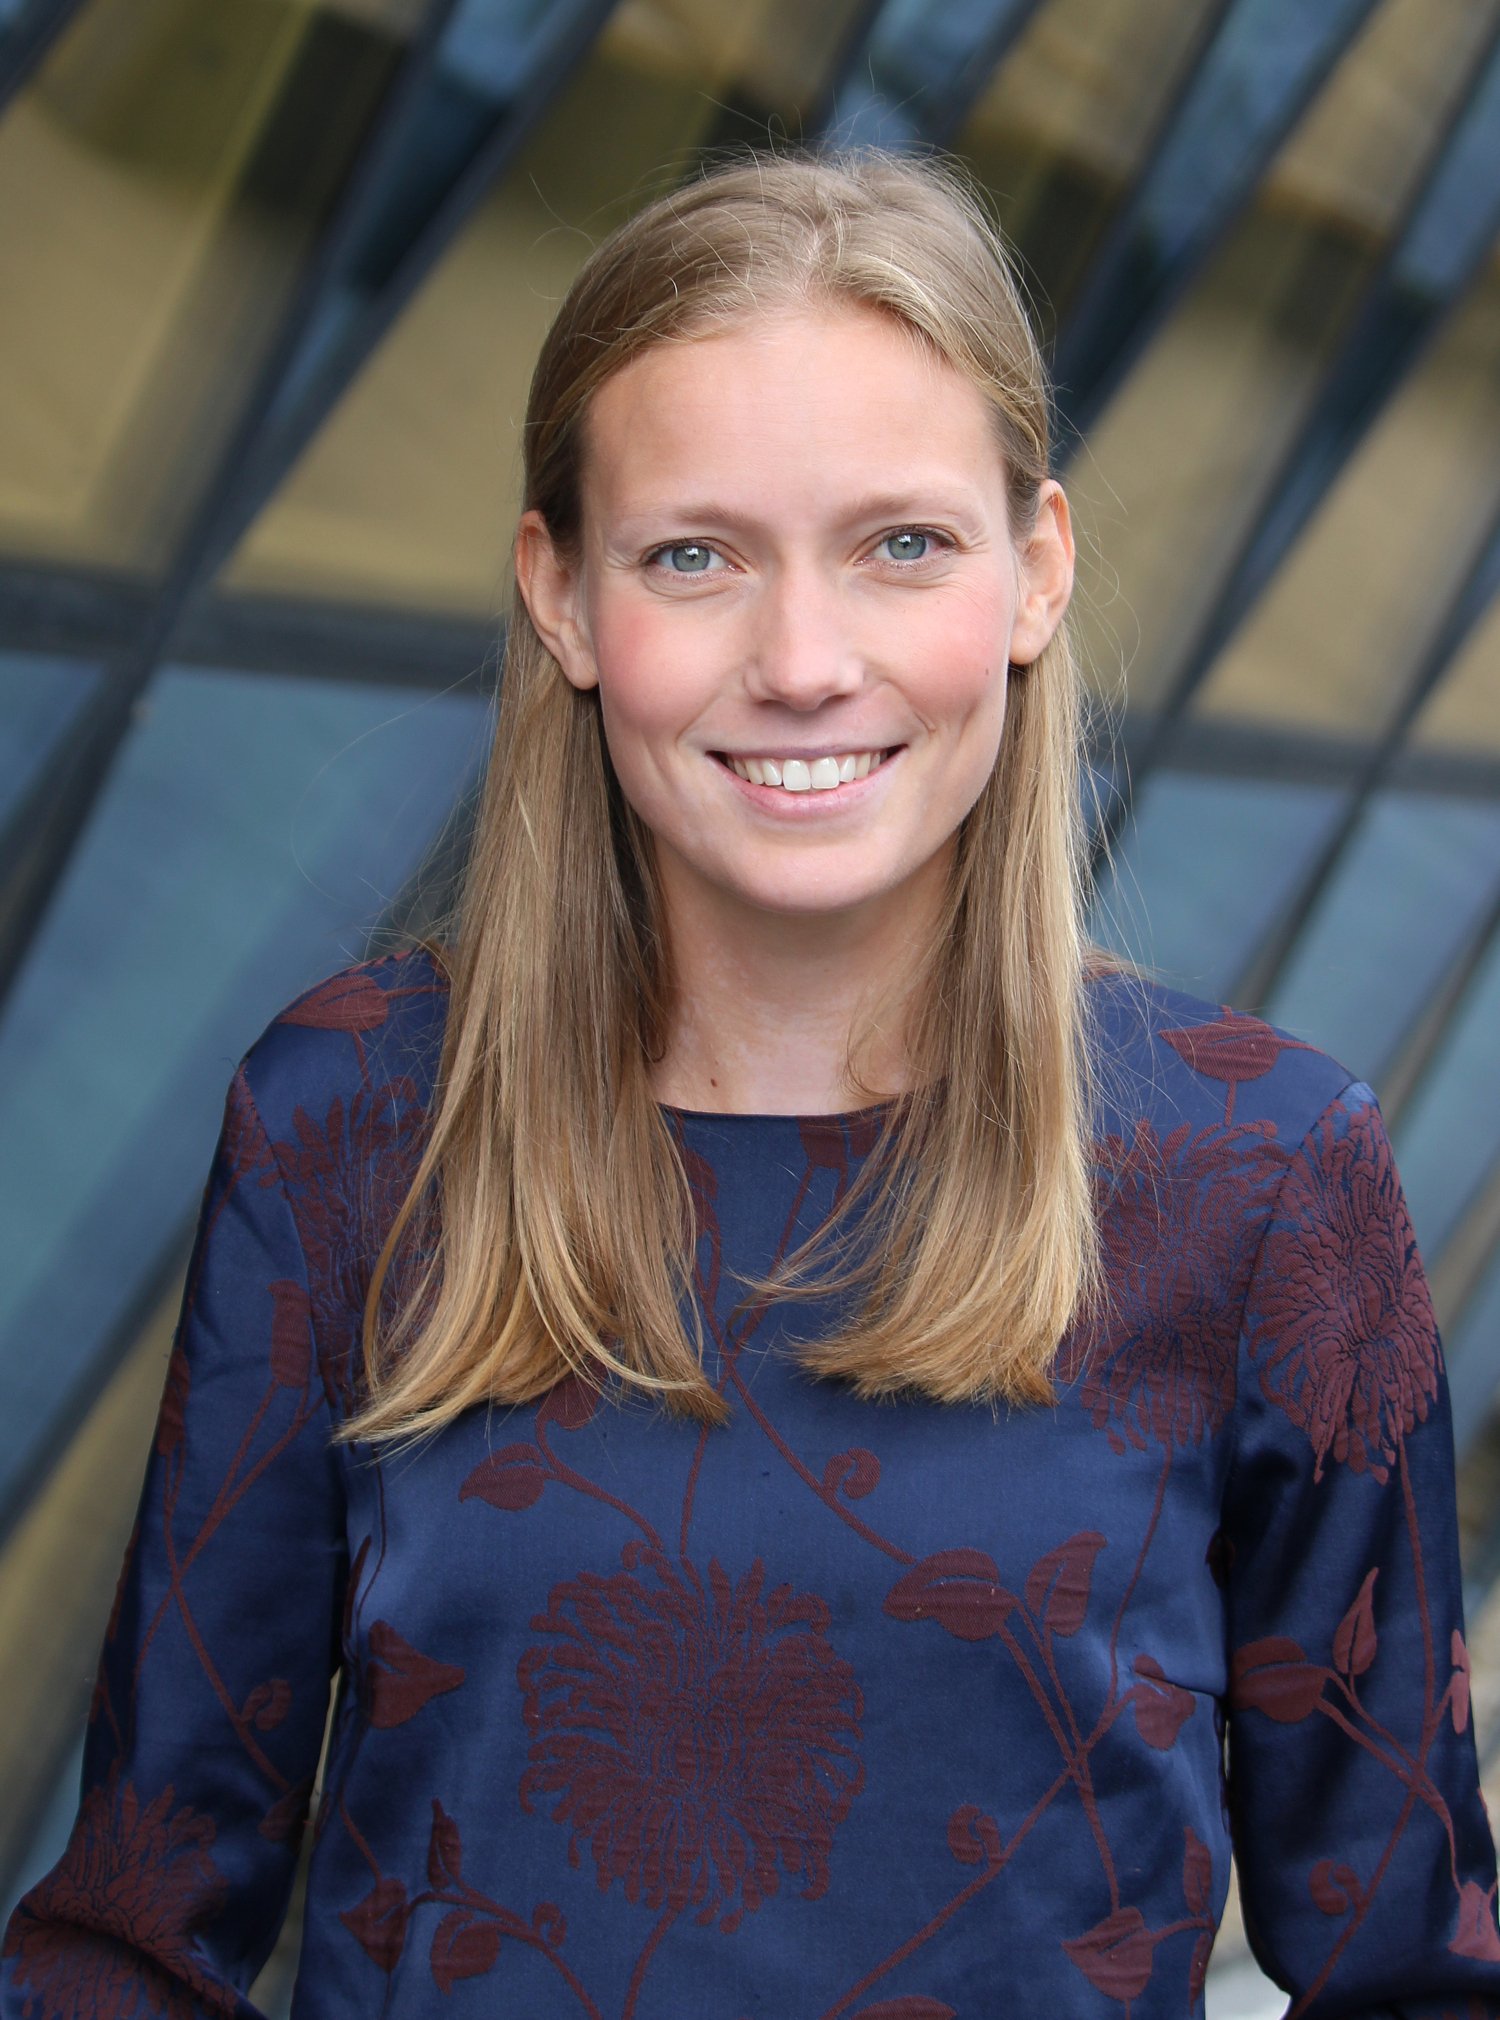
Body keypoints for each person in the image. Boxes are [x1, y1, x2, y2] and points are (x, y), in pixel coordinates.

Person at [4, 148, 1498, 2020]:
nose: (802, 663)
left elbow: (1408, 1973)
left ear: (1036, 573)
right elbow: (132, 1939)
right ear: (560, 596)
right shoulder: (351, 1129)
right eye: (693, 556)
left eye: (902, 545)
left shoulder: (1264, 1173)